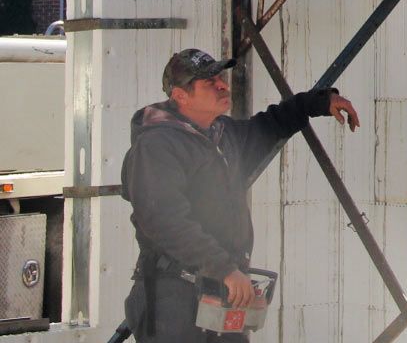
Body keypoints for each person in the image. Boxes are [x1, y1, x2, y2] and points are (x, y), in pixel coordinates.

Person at [119, 48, 360, 341]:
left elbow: (271, 124)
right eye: (209, 82)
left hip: (221, 291)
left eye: (221, 77)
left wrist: (319, 102)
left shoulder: (223, 134)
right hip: (174, 297)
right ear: (180, 96)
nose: (223, 85)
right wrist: (224, 268)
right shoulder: (157, 145)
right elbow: (163, 220)